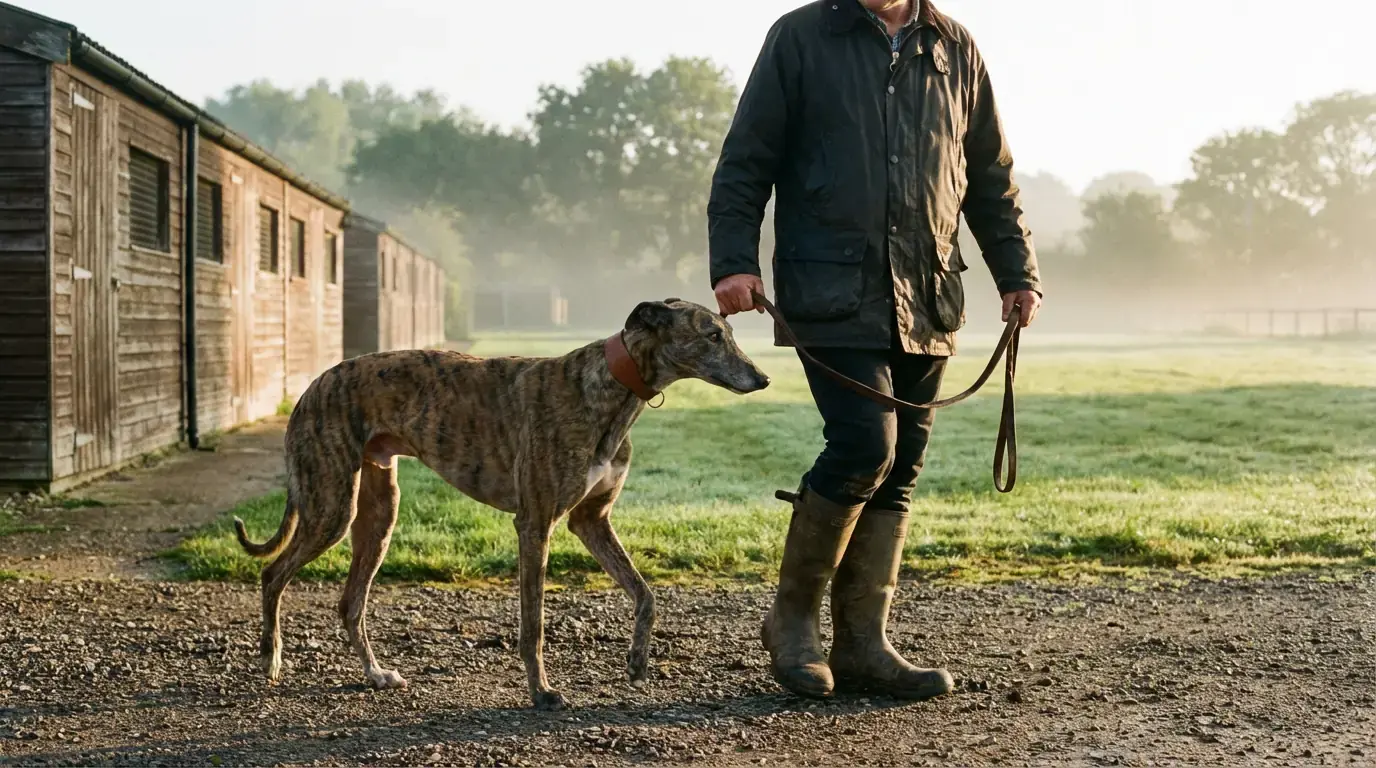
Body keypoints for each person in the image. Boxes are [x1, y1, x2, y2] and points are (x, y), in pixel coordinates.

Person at [707, 0, 1044, 701]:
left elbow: (989, 177)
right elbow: (746, 161)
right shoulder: (800, 37)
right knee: (866, 444)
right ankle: (791, 622)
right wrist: (734, 261)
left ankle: (862, 645)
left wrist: (1017, 274)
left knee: (901, 467)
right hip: (830, 290)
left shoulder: (957, 49)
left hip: (927, 295)